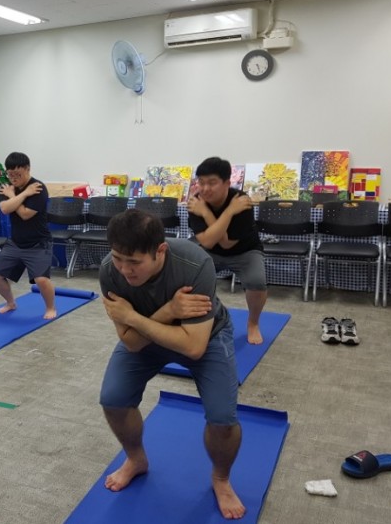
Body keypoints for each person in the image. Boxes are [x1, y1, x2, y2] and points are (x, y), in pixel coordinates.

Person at [99, 209, 245, 520]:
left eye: (134, 262)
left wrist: (133, 317)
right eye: (118, 258)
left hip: (206, 337)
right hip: (147, 340)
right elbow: (131, 342)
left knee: (222, 419)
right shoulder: (109, 271)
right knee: (113, 399)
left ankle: (221, 478)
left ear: (160, 250)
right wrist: (169, 311)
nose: (124, 269)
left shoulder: (195, 265)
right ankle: (136, 459)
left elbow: (193, 347)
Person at [187, 157, 267, 345]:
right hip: (211, 252)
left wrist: (211, 213)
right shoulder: (196, 202)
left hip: (246, 252)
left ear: (226, 183)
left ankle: (253, 323)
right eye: (201, 182)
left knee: (257, 282)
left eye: (212, 183)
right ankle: (200, 320)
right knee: (188, 279)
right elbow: (208, 241)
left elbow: (226, 243)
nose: (205, 188)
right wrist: (224, 212)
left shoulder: (241, 201)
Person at [0, 152, 57, 320]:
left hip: (39, 243)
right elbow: (5, 208)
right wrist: (23, 194)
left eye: (18, 174)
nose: (13, 178)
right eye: (10, 174)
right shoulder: (7, 187)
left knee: (41, 280)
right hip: (16, 242)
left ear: (27, 169)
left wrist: (13, 197)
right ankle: (10, 303)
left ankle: (50, 308)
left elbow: (26, 214)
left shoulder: (38, 188)